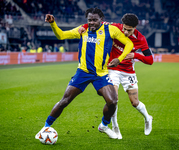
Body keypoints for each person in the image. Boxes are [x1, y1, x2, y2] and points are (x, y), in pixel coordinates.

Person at [35, 8, 133, 140]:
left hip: (101, 74)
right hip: (83, 72)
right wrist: (53, 23)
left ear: (101, 20)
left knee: (113, 101)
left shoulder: (111, 30)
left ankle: (104, 125)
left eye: (94, 20)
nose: (91, 23)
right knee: (65, 101)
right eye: (89, 20)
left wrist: (119, 59)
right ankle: (45, 127)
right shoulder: (83, 29)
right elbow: (61, 36)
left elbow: (129, 43)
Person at [79, 13, 154, 139]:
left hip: (128, 71)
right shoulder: (114, 27)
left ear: (135, 27)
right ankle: (115, 127)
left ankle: (148, 118)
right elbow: (95, 22)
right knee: (114, 99)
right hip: (112, 69)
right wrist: (82, 27)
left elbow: (150, 60)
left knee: (135, 102)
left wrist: (136, 56)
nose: (125, 32)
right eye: (124, 28)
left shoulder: (141, 39)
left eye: (129, 30)